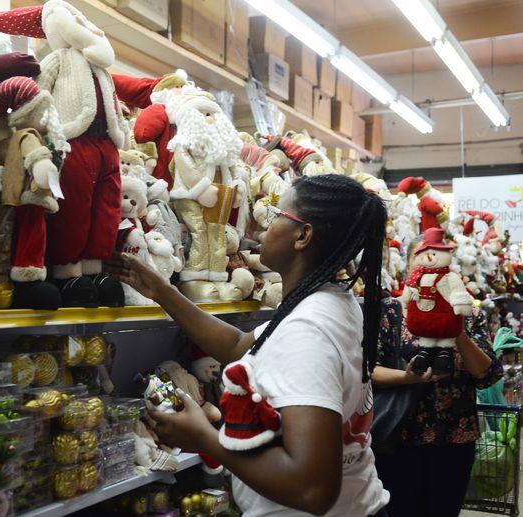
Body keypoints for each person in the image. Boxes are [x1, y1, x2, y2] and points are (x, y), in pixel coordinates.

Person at [108, 174, 390, 516]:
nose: (261, 227)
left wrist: (205, 438)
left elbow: (313, 489)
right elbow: (242, 345)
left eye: (275, 216)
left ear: (303, 235)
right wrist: (163, 292)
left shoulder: (307, 330)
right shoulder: (325, 302)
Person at [372, 290, 502, 517]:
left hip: (454, 438)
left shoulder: (469, 314)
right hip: (397, 436)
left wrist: (455, 330)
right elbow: (368, 372)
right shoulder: (392, 311)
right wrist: (408, 377)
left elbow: (487, 375)